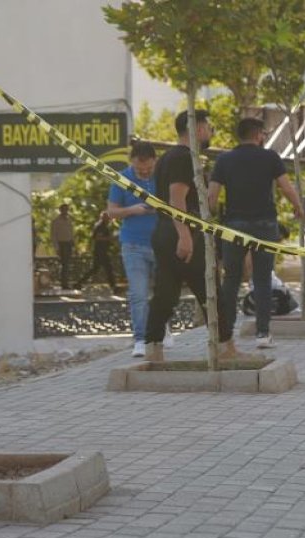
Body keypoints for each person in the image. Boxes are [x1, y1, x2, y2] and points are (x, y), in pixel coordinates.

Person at [207, 117, 305, 353]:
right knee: (262, 279)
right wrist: (298, 206)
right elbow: (285, 185)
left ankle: (226, 332)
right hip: (264, 225)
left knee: (230, 279)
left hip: (233, 226)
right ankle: (263, 333)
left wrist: (207, 217)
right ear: (259, 134)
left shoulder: (224, 160)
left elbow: (212, 194)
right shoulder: (270, 157)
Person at [143, 109, 214, 362]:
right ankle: (223, 346)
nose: (211, 131)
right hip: (181, 233)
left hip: (166, 231)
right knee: (211, 288)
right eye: (208, 126)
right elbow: (176, 198)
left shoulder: (167, 158)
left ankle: (152, 347)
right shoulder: (184, 158)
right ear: (196, 128)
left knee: (166, 292)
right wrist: (184, 236)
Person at [106, 141, 175, 357]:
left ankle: (162, 328)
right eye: (139, 169)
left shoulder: (163, 175)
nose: (144, 172)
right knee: (138, 293)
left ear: (155, 161)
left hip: (162, 242)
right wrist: (133, 210)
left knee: (163, 293)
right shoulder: (121, 179)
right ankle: (140, 339)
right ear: (131, 163)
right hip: (133, 245)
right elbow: (112, 212)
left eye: (148, 168)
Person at [80, 215, 119, 294]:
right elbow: (97, 238)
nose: (109, 219)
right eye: (107, 218)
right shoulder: (100, 227)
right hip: (100, 251)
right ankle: (114, 287)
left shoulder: (105, 227)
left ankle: (79, 283)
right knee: (108, 269)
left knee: (96, 268)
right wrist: (109, 238)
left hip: (103, 251)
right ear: (103, 218)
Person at [50, 204, 75, 289]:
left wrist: (73, 244)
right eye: (64, 209)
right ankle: (64, 284)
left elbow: (71, 232)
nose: (66, 211)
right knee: (64, 264)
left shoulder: (69, 220)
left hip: (69, 243)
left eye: (67, 209)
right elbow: (53, 235)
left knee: (68, 264)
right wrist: (57, 248)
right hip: (61, 244)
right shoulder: (56, 221)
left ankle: (66, 282)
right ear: (60, 210)